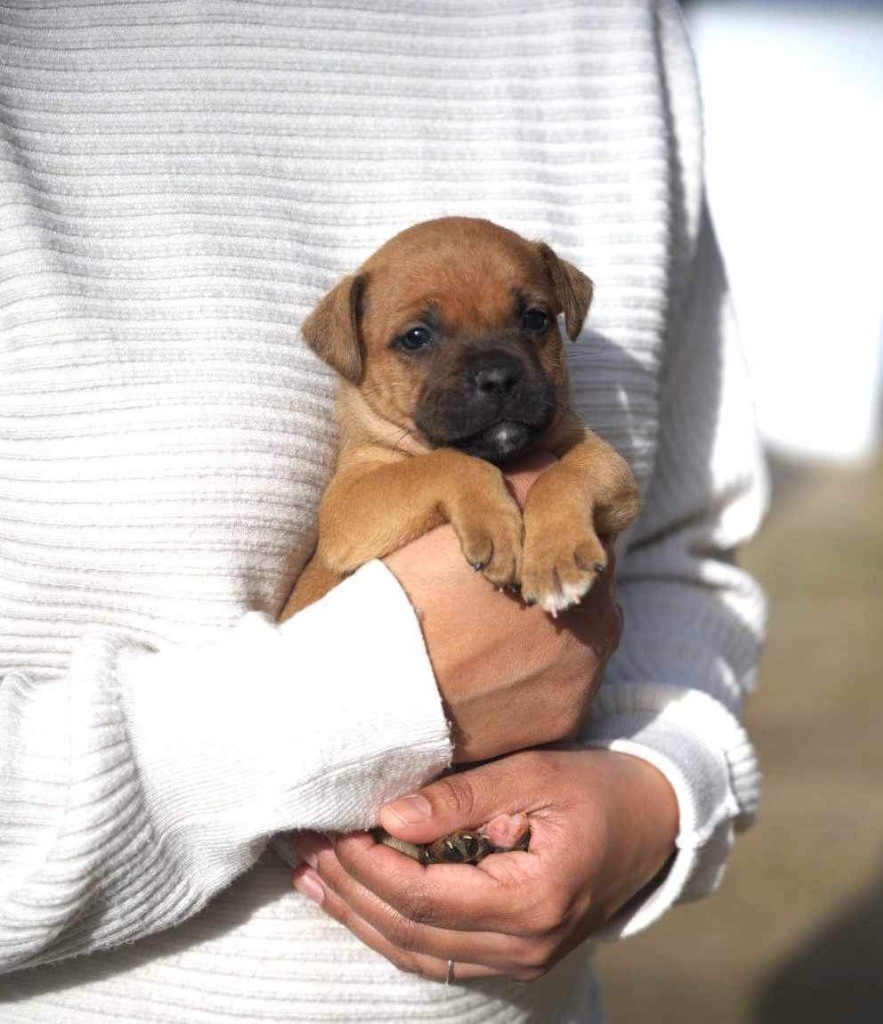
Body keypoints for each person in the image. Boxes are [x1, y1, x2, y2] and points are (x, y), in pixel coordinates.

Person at [0, 1, 766, 1021]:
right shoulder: (383, 461)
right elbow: (355, 533)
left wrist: (662, 787)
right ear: (352, 346)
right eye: (421, 339)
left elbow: (651, 516)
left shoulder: (614, 29)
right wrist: (458, 490)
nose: (491, 369)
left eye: (529, 323)